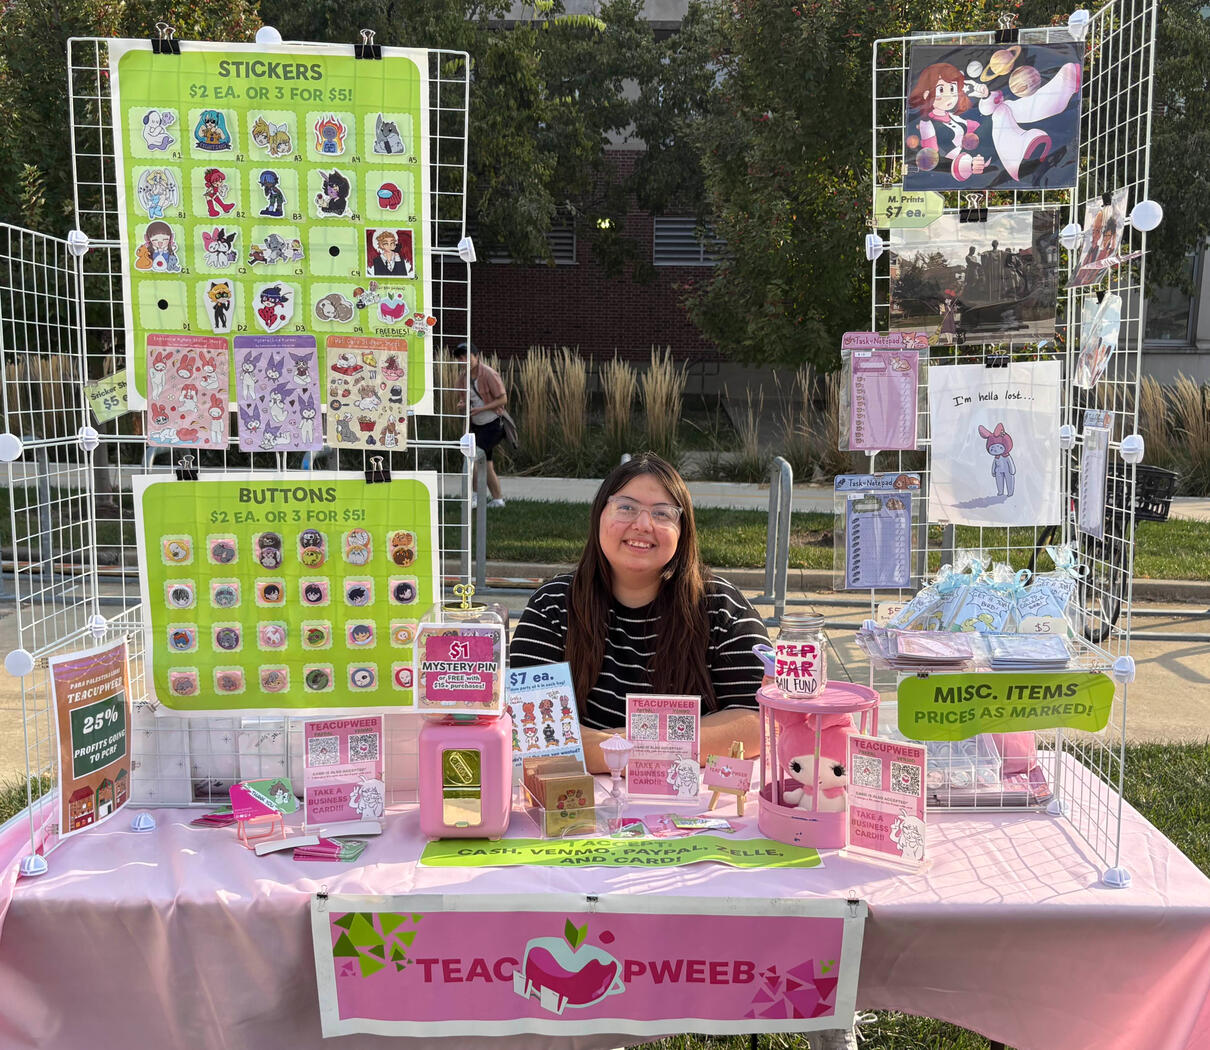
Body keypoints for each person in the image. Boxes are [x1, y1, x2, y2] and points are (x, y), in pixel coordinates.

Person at [509, 453, 769, 772]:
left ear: (682, 530)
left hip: (695, 808)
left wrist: (622, 746)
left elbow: (759, 721)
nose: (643, 525)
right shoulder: (552, 605)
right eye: (626, 507)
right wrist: (647, 749)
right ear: (599, 515)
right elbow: (530, 726)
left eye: (662, 514)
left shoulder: (722, 606)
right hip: (578, 805)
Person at [451, 341, 507, 508]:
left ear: (476, 356)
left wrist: (482, 408)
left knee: (472, 457)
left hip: (493, 425)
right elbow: (464, 400)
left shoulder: (489, 374)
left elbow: (503, 399)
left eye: (466, 357)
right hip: (476, 426)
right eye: (460, 358)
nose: (463, 361)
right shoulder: (462, 378)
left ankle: (474, 497)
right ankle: (498, 500)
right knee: (487, 464)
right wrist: (463, 405)